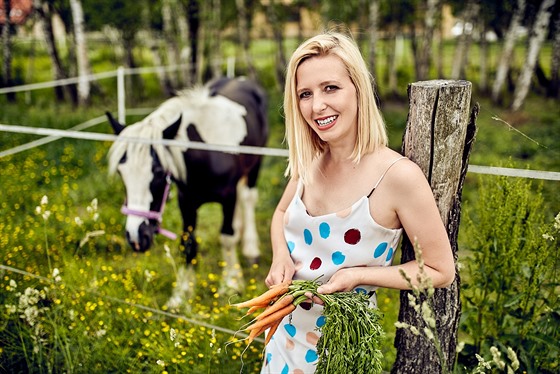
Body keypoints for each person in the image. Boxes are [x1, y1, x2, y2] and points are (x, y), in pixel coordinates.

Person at [261, 31, 456, 373]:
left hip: (341, 352)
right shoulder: (309, 162)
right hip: (281, 344)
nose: (317, 105)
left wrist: (358, 275)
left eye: (330, 88)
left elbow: (441, 271)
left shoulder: (397, 177)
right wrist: (281, 257)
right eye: (305, 94)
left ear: (358, 90)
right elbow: (280, 213)